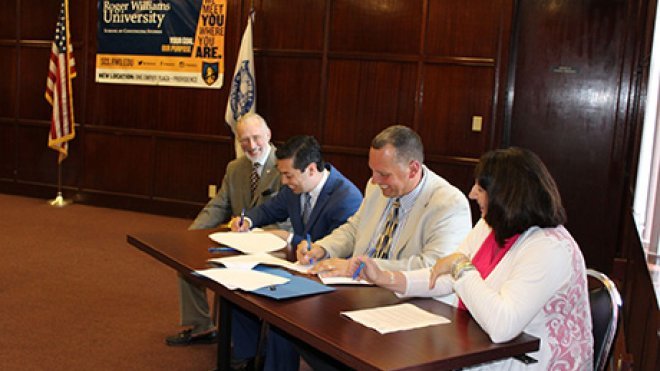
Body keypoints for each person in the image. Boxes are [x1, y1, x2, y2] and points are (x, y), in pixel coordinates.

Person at [351, 147, 594, 370]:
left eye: (480, 187)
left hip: (531, 362)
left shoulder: (549, 248)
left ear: (506, 194)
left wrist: (460, 266)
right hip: (484, 352)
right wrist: (386, 277)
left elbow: (502, 326)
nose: (472, 193)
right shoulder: (492, 226)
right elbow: (444, 276)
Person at [229, 135, 363, 371]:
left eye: (288, 175)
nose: (283, 180)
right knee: (239, 293)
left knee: (282, 319)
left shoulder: (346, 198)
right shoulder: (294, 188)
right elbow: (270, 210)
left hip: (331, 282)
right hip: (299, 269)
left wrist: (290, 238)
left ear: (311, 169)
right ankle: (247, 360)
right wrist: (248, 220)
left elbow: (337, 249)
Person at [166, 113, 287, 346]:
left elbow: (288, 219)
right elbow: (219, 205)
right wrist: (191, 235)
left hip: (271, 245)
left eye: (256, 138)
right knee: (187, 265)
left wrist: (254, 238)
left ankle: (244, 345)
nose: (251, 146)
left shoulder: (284, 166)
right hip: (237, 240)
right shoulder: (235, 168)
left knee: (234, 278)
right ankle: (201, 326)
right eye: (244, 140)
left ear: (269, 135)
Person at [298, 125, 472, 276]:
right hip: (357, 288)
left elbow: (433, 266)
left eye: (383, 174)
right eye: (373, 171)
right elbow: (355, 229)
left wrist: (359, 267)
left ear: (413, 169)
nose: (374, 180)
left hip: (408, 301)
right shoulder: (376, 187)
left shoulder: (449, 204)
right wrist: (323, 248)